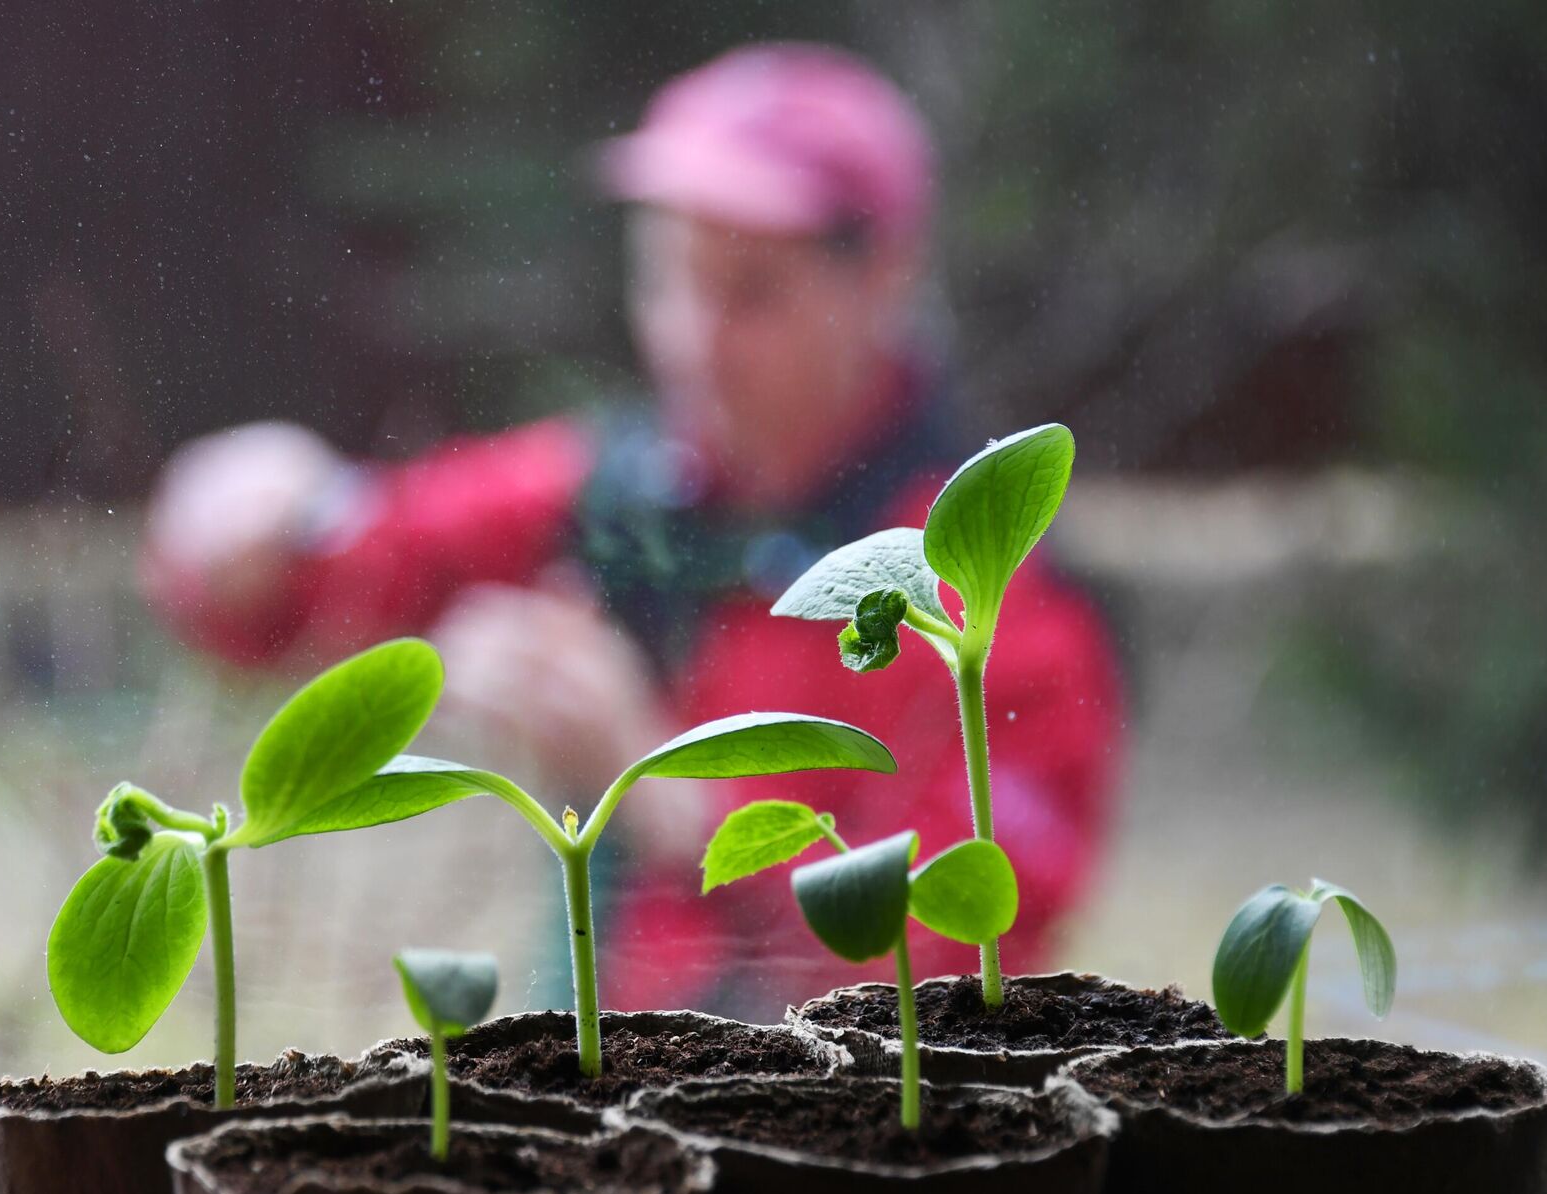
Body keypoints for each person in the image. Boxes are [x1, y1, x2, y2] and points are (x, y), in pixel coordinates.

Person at [141, 43, 1122, 1019]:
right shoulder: (615, 493)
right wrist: (249, 521)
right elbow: (312, 577)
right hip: (598, 1106)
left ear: (884, 279)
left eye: (752, 293)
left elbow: (955, 969)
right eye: (669, 282)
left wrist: (658, 789)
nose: (693, 340)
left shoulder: (1003, 600)